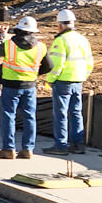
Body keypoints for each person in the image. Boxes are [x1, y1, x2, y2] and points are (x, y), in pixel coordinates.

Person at [0, 16, 53, 160]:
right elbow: (49, 66)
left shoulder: (10, 44)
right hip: (30, 85)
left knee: (8, 116)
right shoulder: (41, 46)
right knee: (30, 117)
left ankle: (8, 149)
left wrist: (1, 34)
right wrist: (34, 73)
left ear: (19, 29)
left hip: (11, 85)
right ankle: (28, 149)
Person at [42, 9, 94, 155]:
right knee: (76, 112)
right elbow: (90, 62)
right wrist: (83, 76)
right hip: (78, 81)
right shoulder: (83, 39)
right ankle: (78, 145)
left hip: (63, 81)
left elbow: (56, 64)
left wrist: (50, 79)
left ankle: (61, 145)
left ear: (60, 25)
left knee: (60, 114)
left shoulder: (61, 40)